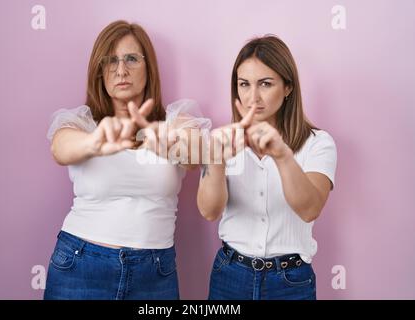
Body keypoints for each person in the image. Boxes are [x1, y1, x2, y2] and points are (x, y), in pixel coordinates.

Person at [44, 20, 210, 300]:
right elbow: (61, 150)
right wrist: (95, 142)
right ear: (99, 71)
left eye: (132, 59)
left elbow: (195, 156)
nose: (121, 70)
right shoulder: (81, 123)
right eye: (110, 61)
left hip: (155, 272)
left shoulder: (176, 119)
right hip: (80, 265)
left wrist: (166, 140)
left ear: (149, 67)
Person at [197, 35, 337, 300]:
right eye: (244, 85)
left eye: (265, 84)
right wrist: (215, 161)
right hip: (230, 275)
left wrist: (282, 155)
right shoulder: (221, 140)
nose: (253, 97)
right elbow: (209, 210)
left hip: (290, 281)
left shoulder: (318, 144)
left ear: (287, 88)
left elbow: (309, 209)